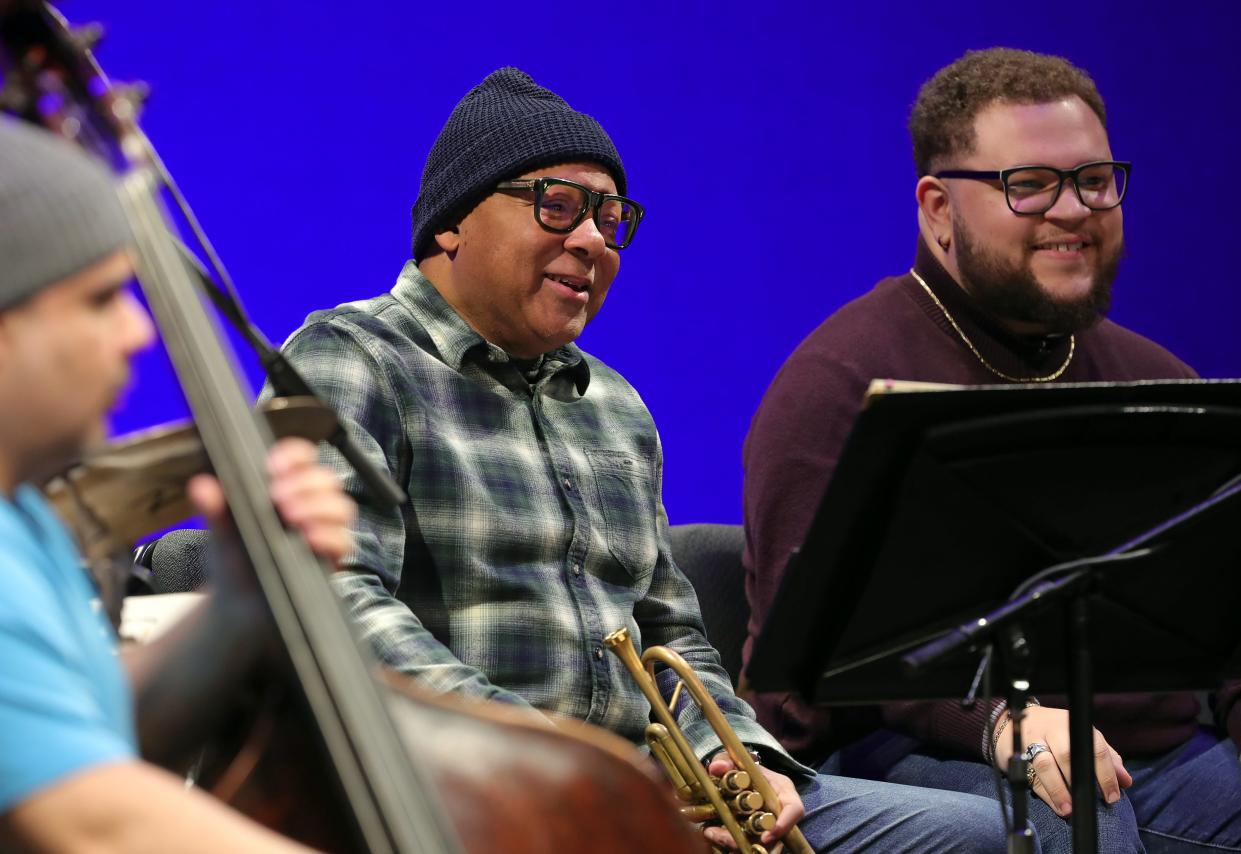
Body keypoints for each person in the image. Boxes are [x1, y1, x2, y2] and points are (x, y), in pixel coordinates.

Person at [270, 66, 1015, 851]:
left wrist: (737, 758)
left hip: (650, 798)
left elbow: (673, 633)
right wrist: (559, 766)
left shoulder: (614, 405)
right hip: (473, 800)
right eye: (556, 206)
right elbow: (334, 603)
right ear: (452, 224)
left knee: (996, 838)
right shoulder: (352, 359)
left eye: (610, 217)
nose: (592, 240)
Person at [742, 47, 1241, 853]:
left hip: (1151, 753)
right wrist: (1002, 718)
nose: (1074, 209)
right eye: (1029, 184)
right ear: (937, 209)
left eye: (1094, 179)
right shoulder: (837, 382)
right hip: (906, 750)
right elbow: (820, 663)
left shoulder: (1157, 381)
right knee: (1073, 807)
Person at [0, 119, 356, 850]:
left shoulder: (23, 522)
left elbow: (79, 736)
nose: (138, 331)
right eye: (100, 300)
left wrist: (236, 603)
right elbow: (96, 823)